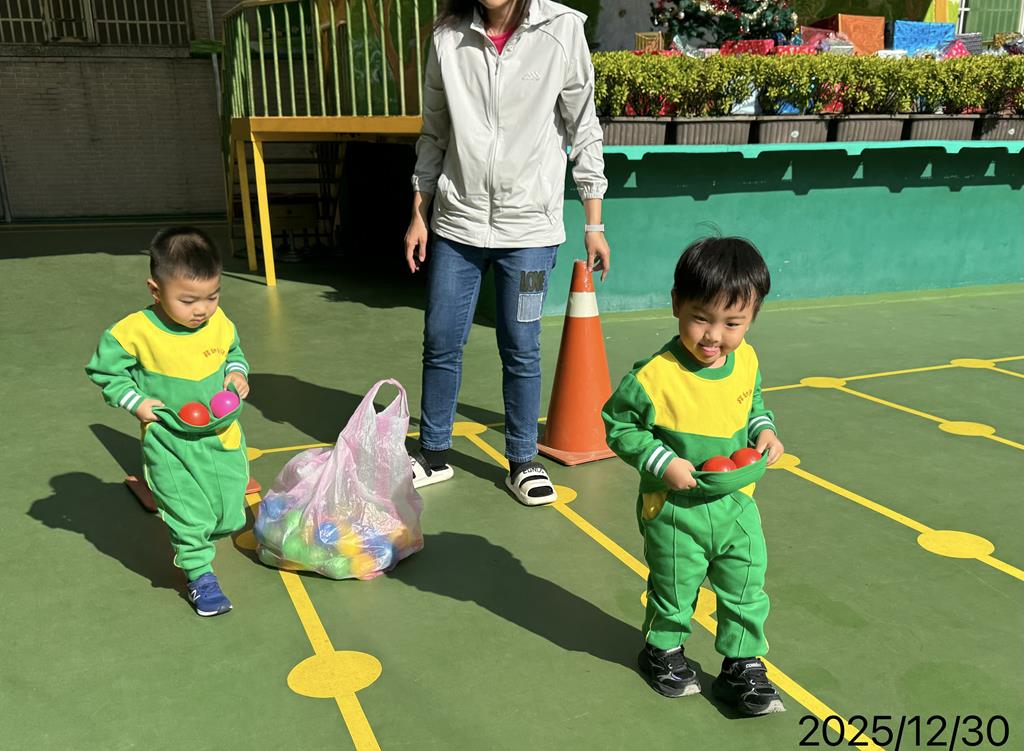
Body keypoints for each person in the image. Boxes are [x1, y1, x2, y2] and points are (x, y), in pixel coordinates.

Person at [404, 0, 610, 506]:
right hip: (457, 222)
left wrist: (594, 222)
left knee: (521, 344)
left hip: (531, 230)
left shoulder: (561, 29)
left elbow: (583, 127)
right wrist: (419, 213)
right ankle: (433, 452)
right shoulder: (448, 38)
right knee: (441, 339)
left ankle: (523, 459)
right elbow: (434, 133)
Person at [602, 237, 787, 715]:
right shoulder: (654, 377)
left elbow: (752, 403)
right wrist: (662, 461)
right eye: (700, 318)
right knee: (675, 587)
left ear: (752, 317)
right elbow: (619, 425)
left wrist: (764, 431)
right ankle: (661, 650)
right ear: (676, 304)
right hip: (675, 509)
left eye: (732, 323)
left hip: (736, 501)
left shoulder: (747, 360)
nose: (713, 336)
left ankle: (742, 665)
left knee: (746, 584)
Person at [86, 227, 251, 617]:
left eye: (212, 296)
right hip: (169, 442)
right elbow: (105, 371)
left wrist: (236, 373)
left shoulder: (218, 321)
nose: (202, 309)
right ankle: (200, 575)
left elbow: (234, 351)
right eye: (188, 300)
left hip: (222, 435)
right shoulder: (134, 332)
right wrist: (137, 402)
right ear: (155, 290)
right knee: (187, 514)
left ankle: (203, 539)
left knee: (228, 512)